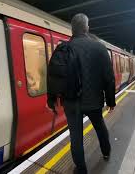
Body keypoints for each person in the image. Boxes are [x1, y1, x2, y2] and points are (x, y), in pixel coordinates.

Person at [47, 13, 116, 173]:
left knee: (76, 136)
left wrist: (51, 100)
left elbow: (53, 76)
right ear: (87, 27)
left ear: (72, 29)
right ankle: (106, 152)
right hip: (94, 100)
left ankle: (81, 169)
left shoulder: (63, 48)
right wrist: (111, 101)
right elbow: (109, 78)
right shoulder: (99, 47)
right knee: (100, 127)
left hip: (71, 102)